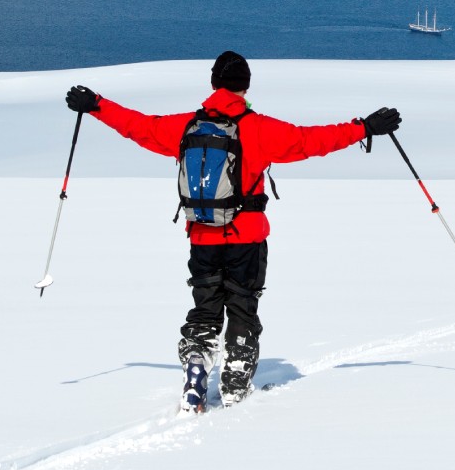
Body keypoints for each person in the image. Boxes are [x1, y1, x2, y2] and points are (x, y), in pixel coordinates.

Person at [65, 52, 400, 413]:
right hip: (247, 238)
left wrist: (96, 105)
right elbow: (312, 140)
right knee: (242, 307)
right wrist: (364, 128)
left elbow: (138, 126)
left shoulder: (185, 127)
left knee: (206, 311)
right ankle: (236, 380)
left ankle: (196, 364)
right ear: (246, 86)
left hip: (201, 237)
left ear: (213, 84)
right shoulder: (259, 128)